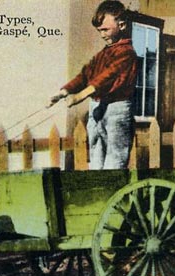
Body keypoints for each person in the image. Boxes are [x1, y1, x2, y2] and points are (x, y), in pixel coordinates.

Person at [48, 0, 138, 170]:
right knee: (96, 151)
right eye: (99, 31)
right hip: (97, 108)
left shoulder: (127, 53)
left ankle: (111, 192)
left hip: (117, 109)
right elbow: (85, 75)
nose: (102, 34)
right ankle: (96, 192)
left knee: (115, 157)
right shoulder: (103, 54)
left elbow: (107, 77)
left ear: (122, 25)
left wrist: (80, 96)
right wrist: (63, 92)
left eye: (105, 29)